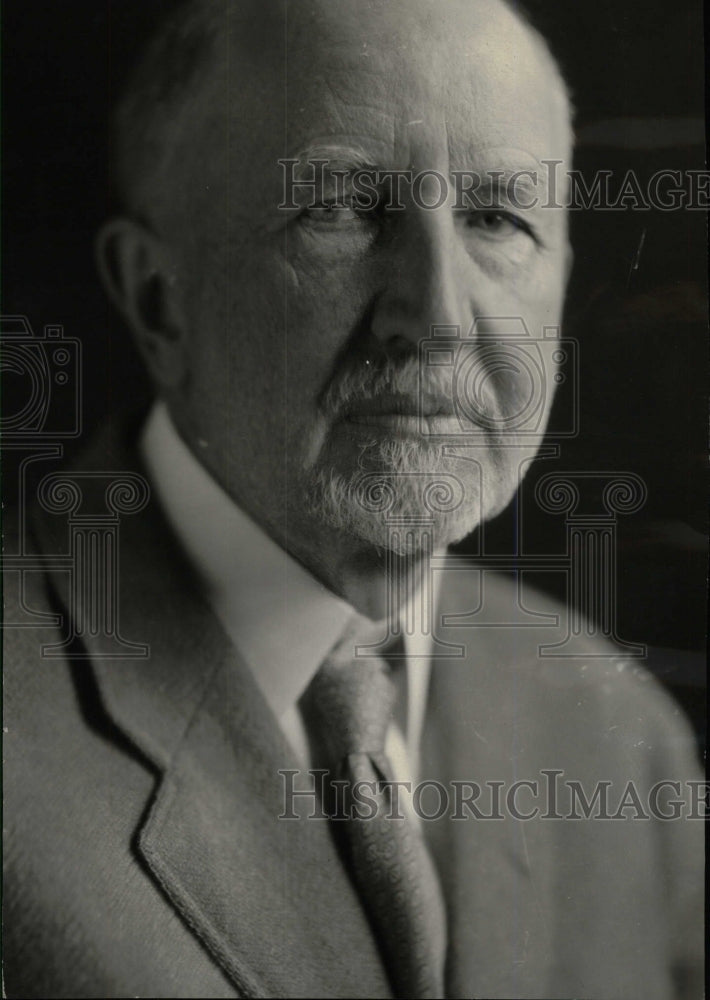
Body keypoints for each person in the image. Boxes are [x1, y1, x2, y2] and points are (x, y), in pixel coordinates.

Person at [3, 1, 703, 997]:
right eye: (337, 207)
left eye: (497, 217)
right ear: (159, 298)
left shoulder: (621, 738)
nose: (439, 317)